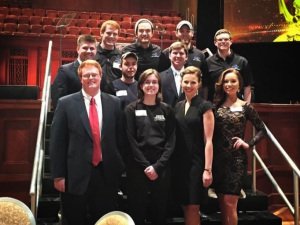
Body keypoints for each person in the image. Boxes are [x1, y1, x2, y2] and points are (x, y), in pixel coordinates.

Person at [49, 60, 125, 225]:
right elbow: (57, 142)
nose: (91, 78)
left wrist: (119, 167)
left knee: (104, 219)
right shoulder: (66, 103)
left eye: (94, 75)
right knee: (74, 219)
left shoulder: (114, 103)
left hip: (106, 175)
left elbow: (120, 139)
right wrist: (58, 175)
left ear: (100, 76)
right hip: (74, 175)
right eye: (86, 75)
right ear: (80, 78)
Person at [212, 68, 266, 225]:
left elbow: (262, 130)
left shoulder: (245, 107)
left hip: (236, 161)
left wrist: (248, 143)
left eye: (233, 81)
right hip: (219, 161)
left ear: (239, 84)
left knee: (230, 204)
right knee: (222, 204)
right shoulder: (216, 106)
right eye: (226, 81)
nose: (229, 84)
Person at [124, 68, 176, 225]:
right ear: (140, 85)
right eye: (147, 82)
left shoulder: (167, 109)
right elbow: (130, 140)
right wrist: (146, 166)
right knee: (136, 210)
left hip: (161, 168)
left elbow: (171, 140)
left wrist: (158, 166)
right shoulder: (131, 109)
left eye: (154, 82)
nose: (151, 85)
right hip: (138, 167)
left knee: (159, 211)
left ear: (159, 86)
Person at [172, 66, 214, 225]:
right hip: (179, 163)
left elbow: (208, 140)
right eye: (186, 82)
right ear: (181, 82)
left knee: (193, 206)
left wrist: (207, 169)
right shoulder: (178, 105)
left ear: (199, 84)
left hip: (196, 164)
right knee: (184, 205)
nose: (188, 85)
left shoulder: (205, 106)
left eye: (193, 82)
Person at [206, 29, 254, 103]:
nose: (223, 41)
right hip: (214, 106)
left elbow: (247, 86)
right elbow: (204, 87)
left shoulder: (241, 61)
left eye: (226, 39)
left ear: (231, 41)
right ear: (215, 42)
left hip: (236, 106)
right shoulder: (208, 62)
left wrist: (246, 107)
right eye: (220, 40)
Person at [51, 34, 97, 109]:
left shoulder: (100, 72)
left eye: (92, 48)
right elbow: (58, 99)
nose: (89, 51)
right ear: (78, 49)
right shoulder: (65, 70)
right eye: (85, 48)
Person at [95, 20, 122, 94]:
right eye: (109, 33)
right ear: (101, 33)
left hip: (114, 97)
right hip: (95, 95)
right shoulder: (92, 54)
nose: (112, 36)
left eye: (115, 34)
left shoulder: (121, 56)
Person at [161, 41, 187, 107]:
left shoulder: (192, 77)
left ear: (186, 57)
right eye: (175, 53)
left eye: (181, 53)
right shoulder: (160, 76)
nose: (178, 56)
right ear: (169, 56)